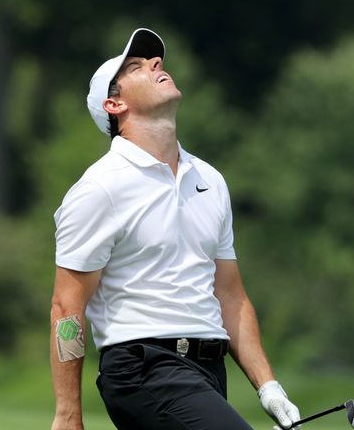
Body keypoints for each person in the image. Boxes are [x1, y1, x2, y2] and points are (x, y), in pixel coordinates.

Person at [50, 28, 300, 430]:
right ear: (114, 104)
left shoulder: (210, 179)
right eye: (136, 66)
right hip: (143, 370)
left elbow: (230, 295)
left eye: (155, 61)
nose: (155, 64)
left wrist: (268, 386)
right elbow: (67, 309)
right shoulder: (100, 188)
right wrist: (68, 414)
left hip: (208, 373)